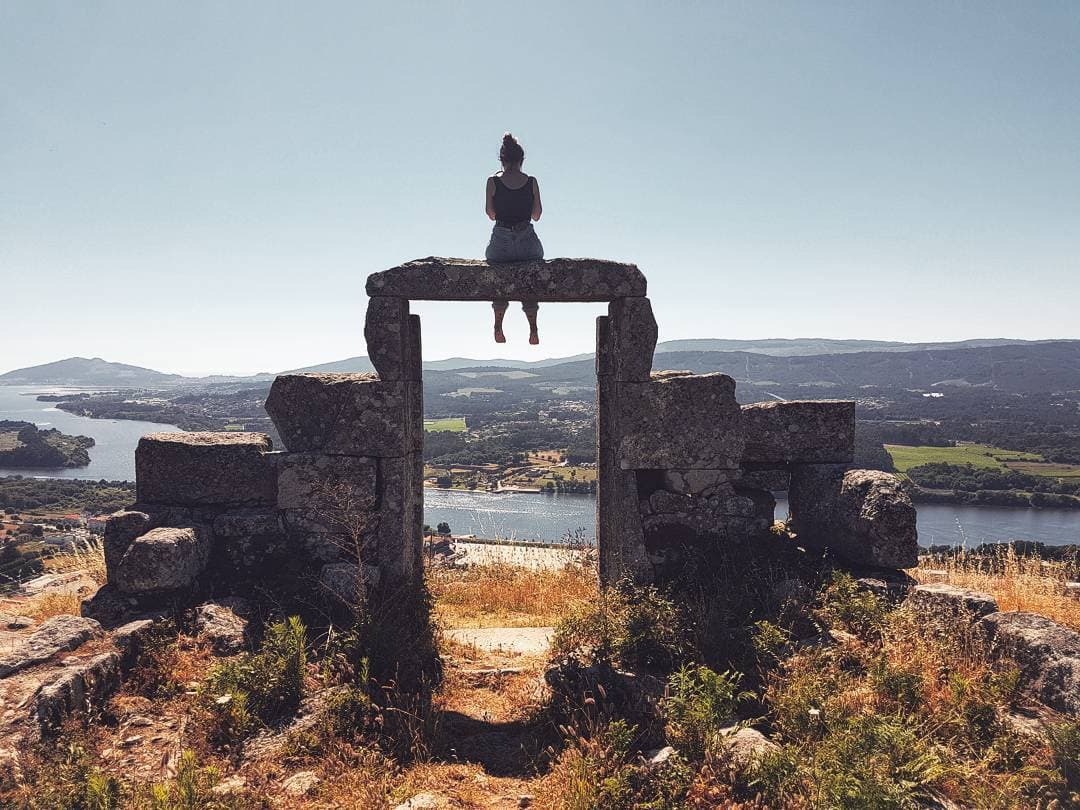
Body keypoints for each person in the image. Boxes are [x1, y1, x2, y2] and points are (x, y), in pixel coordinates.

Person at [485, 132, 544, 344]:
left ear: (502, 160)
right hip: (526, 239)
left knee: (499, 276)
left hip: (501, 240)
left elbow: (490, 214)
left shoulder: (492, 181)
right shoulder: (532, 182)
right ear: (522, 160)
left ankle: (498, 324)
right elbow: (536, 215)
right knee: (530, 276)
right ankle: (533, 327)